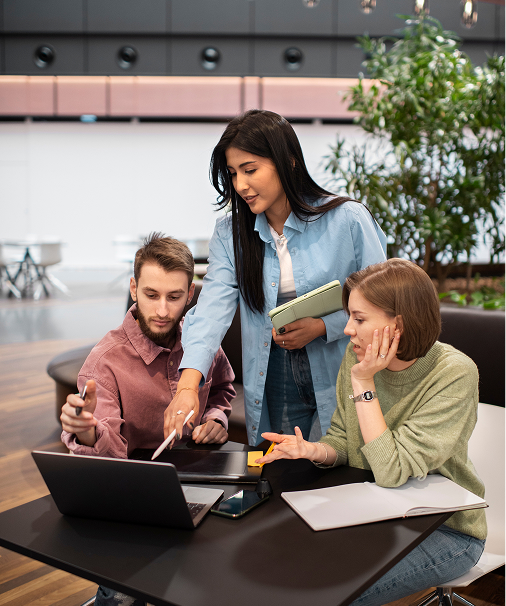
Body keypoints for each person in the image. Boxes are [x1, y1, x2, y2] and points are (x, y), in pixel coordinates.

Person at [257, 258, 486, 606]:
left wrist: (365, 383)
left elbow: (391, 471)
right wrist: (313, 450)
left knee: (334, 595)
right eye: (349, 316)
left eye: (359, 319)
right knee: (287, 564)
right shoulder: (357, 356)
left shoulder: (454, 373)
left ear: (398, 325)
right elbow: (344, 439)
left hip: (447, 530)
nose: (348, 330)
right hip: (375, 512)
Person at [165, 109, 387, 447]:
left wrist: (322, 326)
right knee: (284, 468)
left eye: (250, 170)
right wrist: (186, 387)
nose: (240, 185)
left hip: (345, 367)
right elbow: (210, 312)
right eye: (233, 173)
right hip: (275, 373)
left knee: (340, 465)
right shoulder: (230, 234)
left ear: (289, 161)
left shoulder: (348, 220)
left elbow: (383, 304)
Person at [61, 233, 235, 458]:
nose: (162, 311)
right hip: (137, 475)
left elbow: (221, 390)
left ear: (190, 294)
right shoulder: (104, 363)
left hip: (200, 465)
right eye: (152, 295)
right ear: (133, 289)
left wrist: (215, 420)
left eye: (174, 297)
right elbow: (108, 457)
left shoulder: (202, 343)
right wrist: (88, 433)